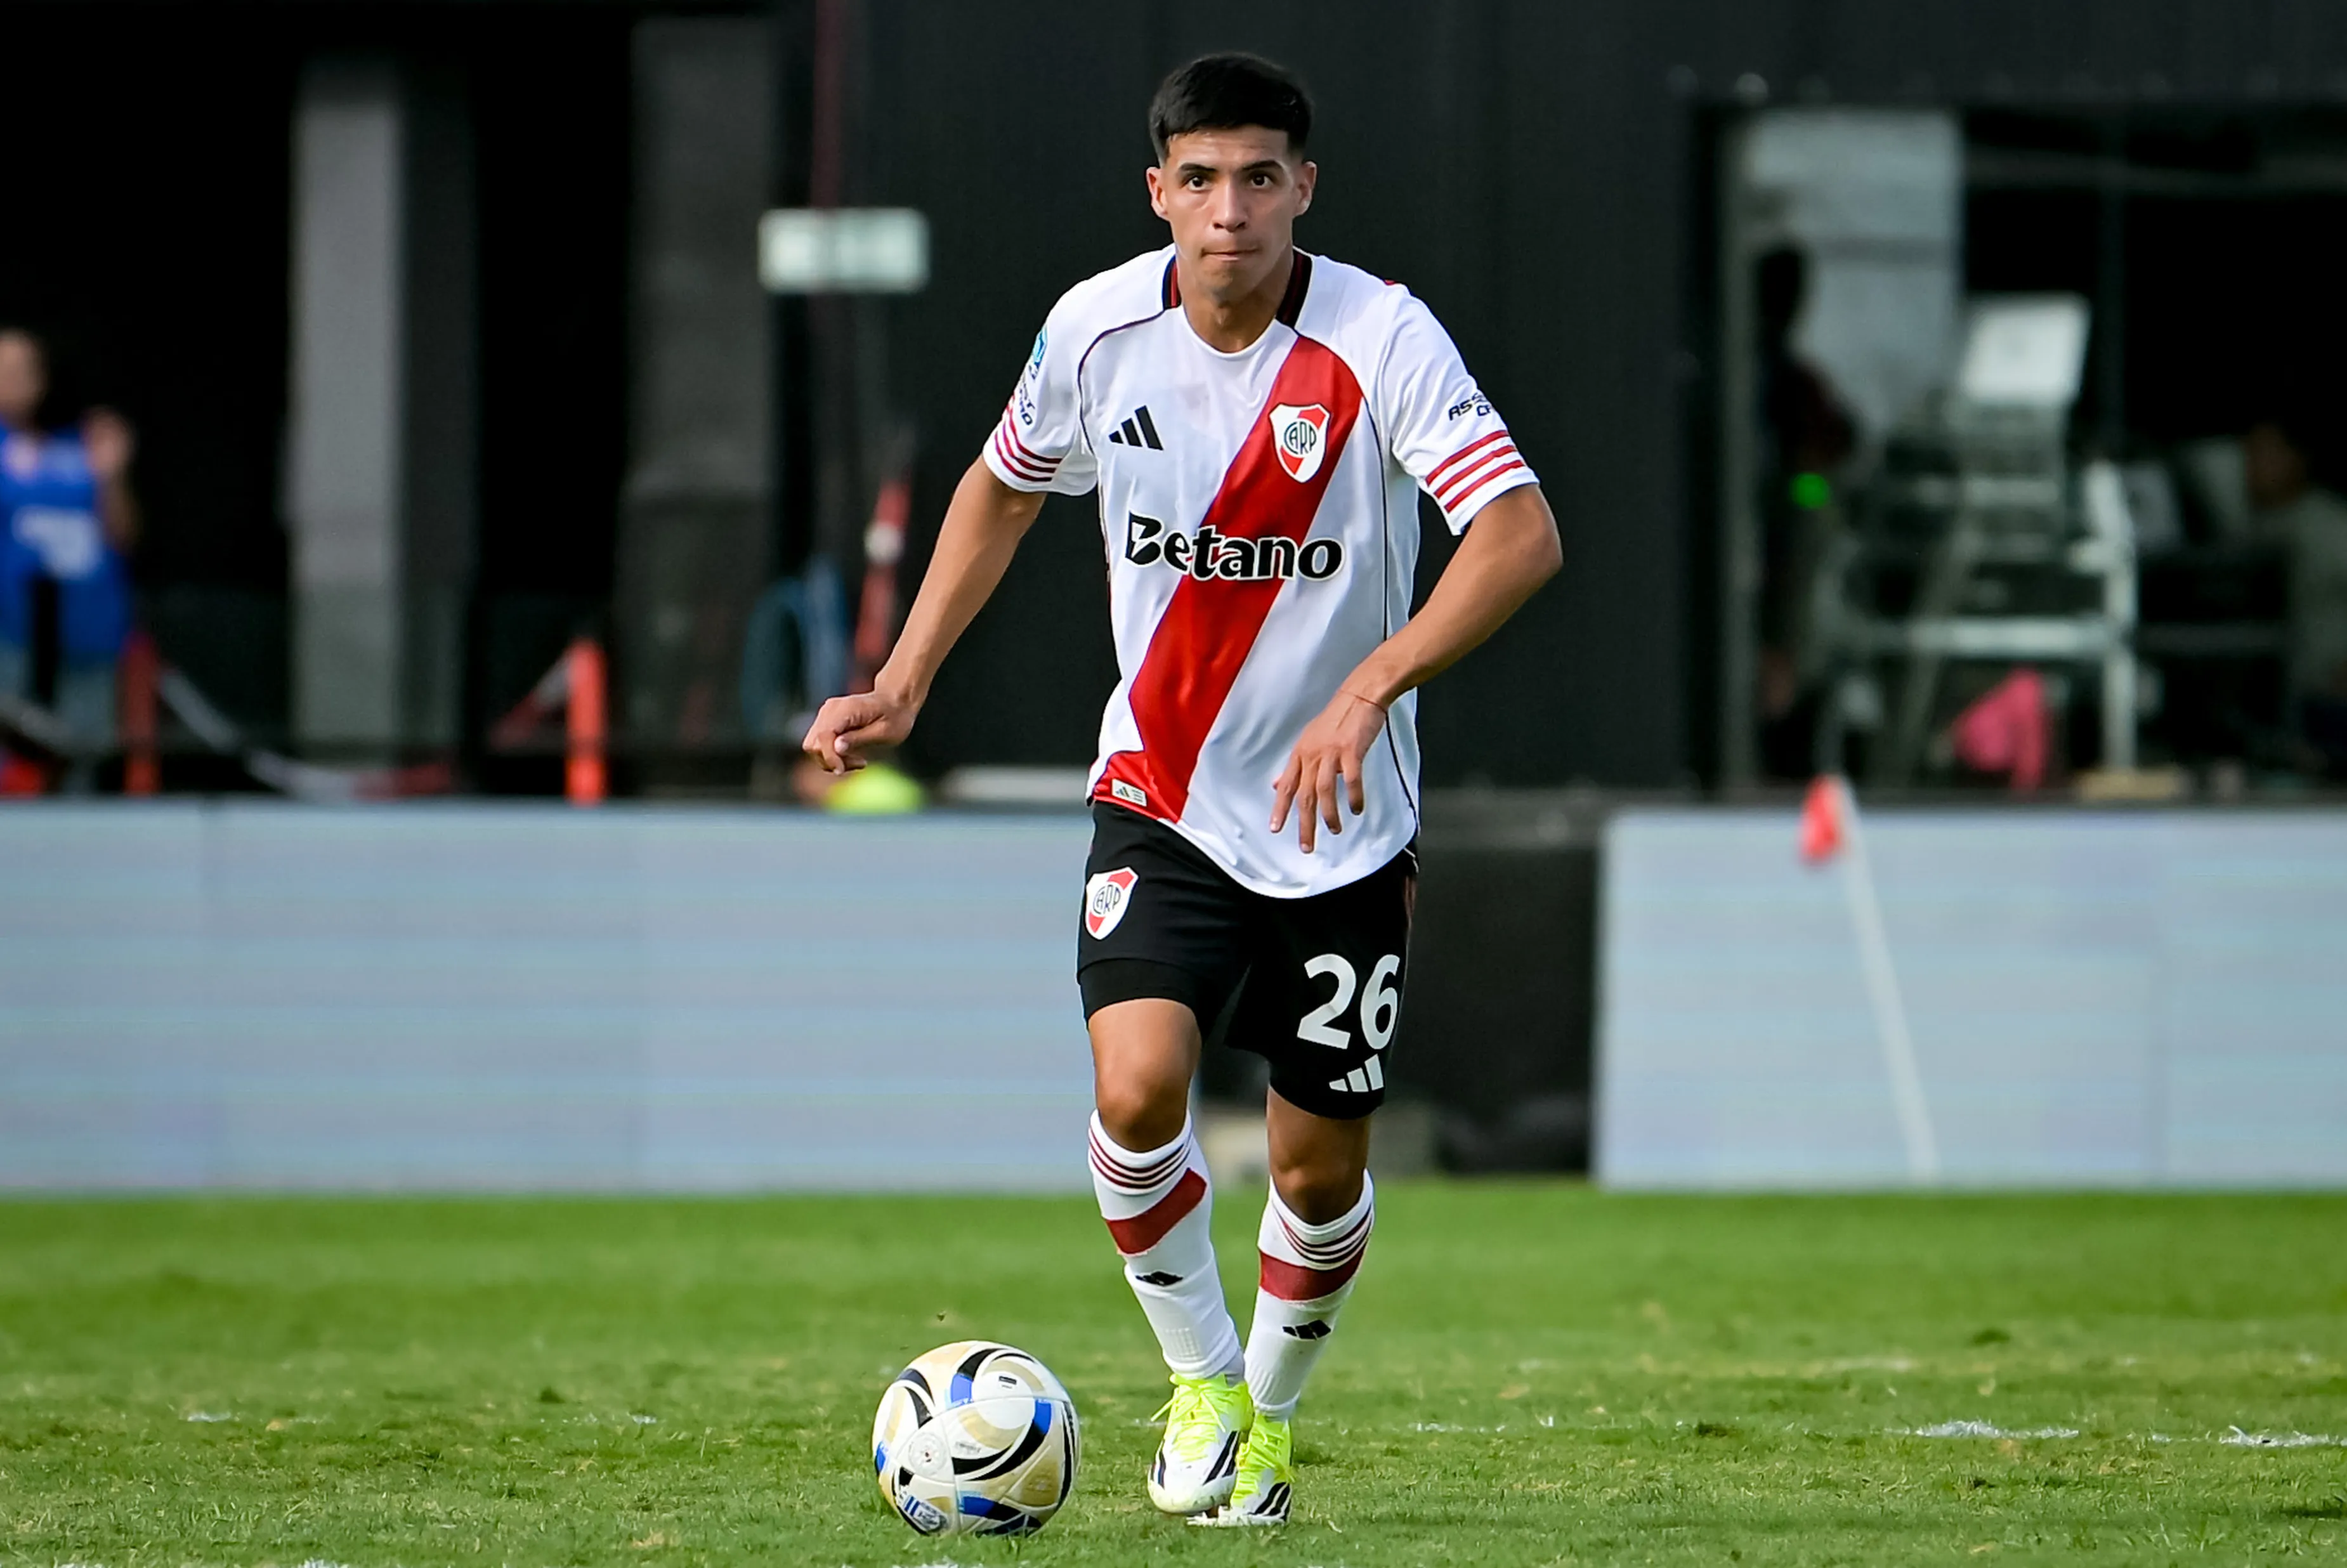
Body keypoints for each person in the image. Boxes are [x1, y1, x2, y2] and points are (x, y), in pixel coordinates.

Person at [802, 54, 1559, 1525]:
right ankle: (1204, 1381)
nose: (1229, 211)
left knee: (1313, 1163)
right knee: (1136, 1084)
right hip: (1160, 794)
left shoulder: (1379, 337)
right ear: (1157, 190)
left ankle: (1268, 1420)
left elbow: (1519, 533)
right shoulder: (1095, 331)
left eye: (1258, 177)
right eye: (1199, 180)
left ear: (1302, 190)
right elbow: (1003, 485)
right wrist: (901, 680)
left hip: (1341, 825)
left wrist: (1372, 681)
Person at [0, 327, 139, 790]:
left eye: (19, 370)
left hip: (84, 632)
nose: (9, 380)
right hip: (10, 635)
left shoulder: (78, 452)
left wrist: (111, 475)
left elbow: (123, 536)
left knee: (82, 755)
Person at [2242, 417, 2347, 772]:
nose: (2254, 465)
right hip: (2283, 710)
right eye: (2250, 454)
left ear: (2297, 459)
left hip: (2333, 703)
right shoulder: (2254, 526)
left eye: (2266, 453)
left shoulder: (2330, 525)